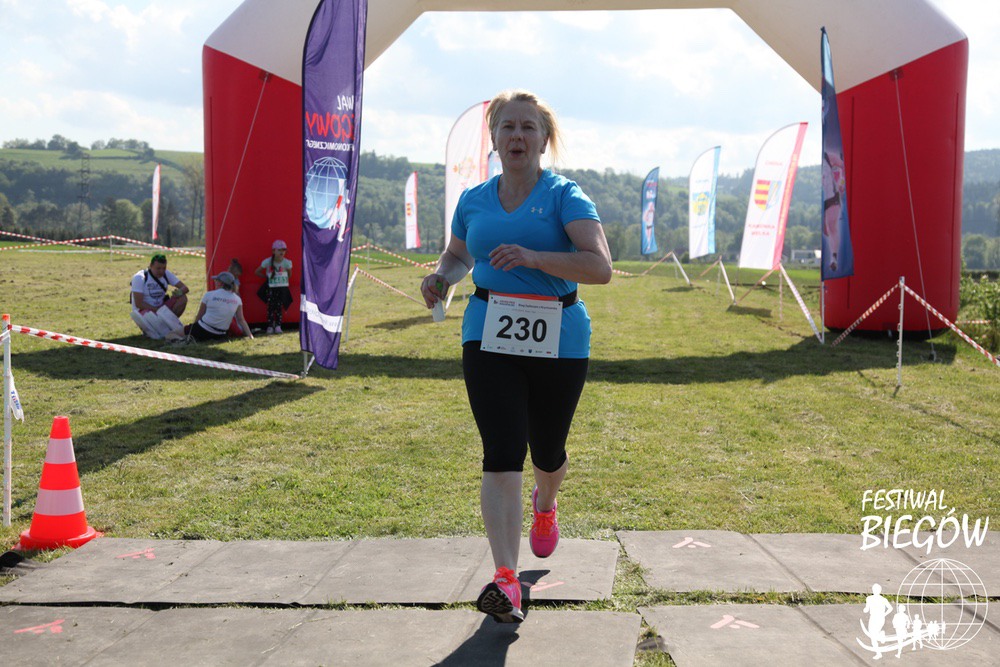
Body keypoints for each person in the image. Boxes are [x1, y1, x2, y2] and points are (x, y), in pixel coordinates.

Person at [420, 89, 611, 624]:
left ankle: (545, 504)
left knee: (547, 451)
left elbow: (599, 267)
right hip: (488, 333)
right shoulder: (474, 200)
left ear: (544, 140)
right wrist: (441, 277)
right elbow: (458, 254)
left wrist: (533, 257)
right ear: (494, 138)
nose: (518, 136)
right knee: (502, 449)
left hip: (559, 336)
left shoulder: (564, 196)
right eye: (508, 127)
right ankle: (505, 579)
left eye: (529, 127)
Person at [130, 253, 189, 339]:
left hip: (161, 308)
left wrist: (179, 292)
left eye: (164, 268)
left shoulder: (166, 274)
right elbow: (139, 304)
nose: (161, 271)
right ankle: (158, 328)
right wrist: (157, 310)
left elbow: (185, 288)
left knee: (183, 298)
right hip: (145, 310)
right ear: (150, 266)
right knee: (152, 319)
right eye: (158, 268)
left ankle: (169, 324)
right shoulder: (139, 277)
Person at [186, 271, 253, 341]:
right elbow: (241, 320)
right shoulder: (237, 299)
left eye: (216, 280)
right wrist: (250, 336)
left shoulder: (209, 295)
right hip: (221, 334)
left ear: (221, 283)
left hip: (203, 329)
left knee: (179, 331)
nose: (215, 282)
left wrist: (192, 330)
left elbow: (200, 315)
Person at [255, 240, 293, 334]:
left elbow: (289, 274)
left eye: (283, 250)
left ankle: (278, 325)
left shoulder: (286, 263)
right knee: (270, 307)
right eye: (279, 250)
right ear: (273, 251)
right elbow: (257, 272)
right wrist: (267, 277)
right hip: (271, 288)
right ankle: (270, 326)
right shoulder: (267, 261)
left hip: (281, 288)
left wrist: (282, 279)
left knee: (279, 306)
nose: (281, 252)